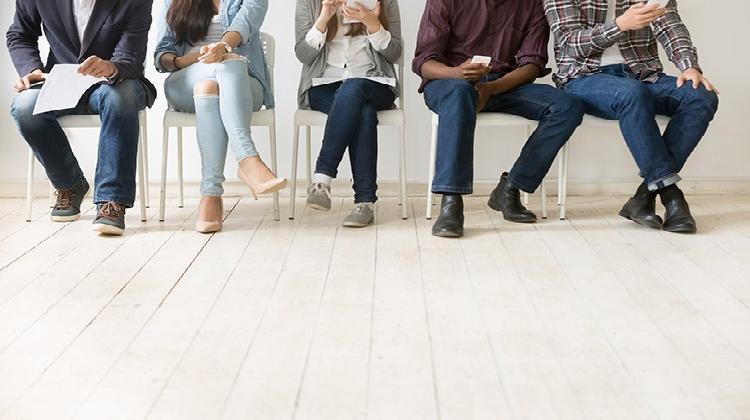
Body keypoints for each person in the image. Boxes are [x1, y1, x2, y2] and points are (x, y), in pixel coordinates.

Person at [413, 0, 585, 238]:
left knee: (567, 106)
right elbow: (424, 61)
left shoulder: (531, 5)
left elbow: (532, 64)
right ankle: (451, 201)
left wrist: (491, 88)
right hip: (449, 84)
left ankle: (511, 187)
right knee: (460, 92)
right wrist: (457, 73)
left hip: (502, 84)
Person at [545, 0, 719, 233]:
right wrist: (620, 25)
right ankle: (671, 196)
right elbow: (570, 43)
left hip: (642, 75)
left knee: (701, 96)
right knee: (632, 93)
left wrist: (689, 67)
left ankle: (644, 195)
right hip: (583, 78)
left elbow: (670, 26)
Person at [8, 0, 158, 236]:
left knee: (118, 98)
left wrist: (111, 67)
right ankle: (70, 184)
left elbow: (131, 54)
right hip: (61, 81)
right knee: (25, 106)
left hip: (116, 82)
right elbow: (20, 34)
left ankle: (111, 200)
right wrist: (32, 70)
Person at [155, 0, 286, 234]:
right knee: (225, 66)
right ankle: (248, 160)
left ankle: (210, 194)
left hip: (243, 82)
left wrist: (223, 47)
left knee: (215, 80)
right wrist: (188, 59)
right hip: (186, 79)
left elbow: (244, 23)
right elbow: (163, 50)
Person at [295, 0, 402, 228]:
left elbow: (395, 53)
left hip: (374, 82)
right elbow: (303, 55)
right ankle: (365, 202)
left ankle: (322, 181)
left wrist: (372, 23)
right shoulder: (309, 2)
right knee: (363, 111)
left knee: (354, 87)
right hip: (324, 85)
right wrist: (324, 17)